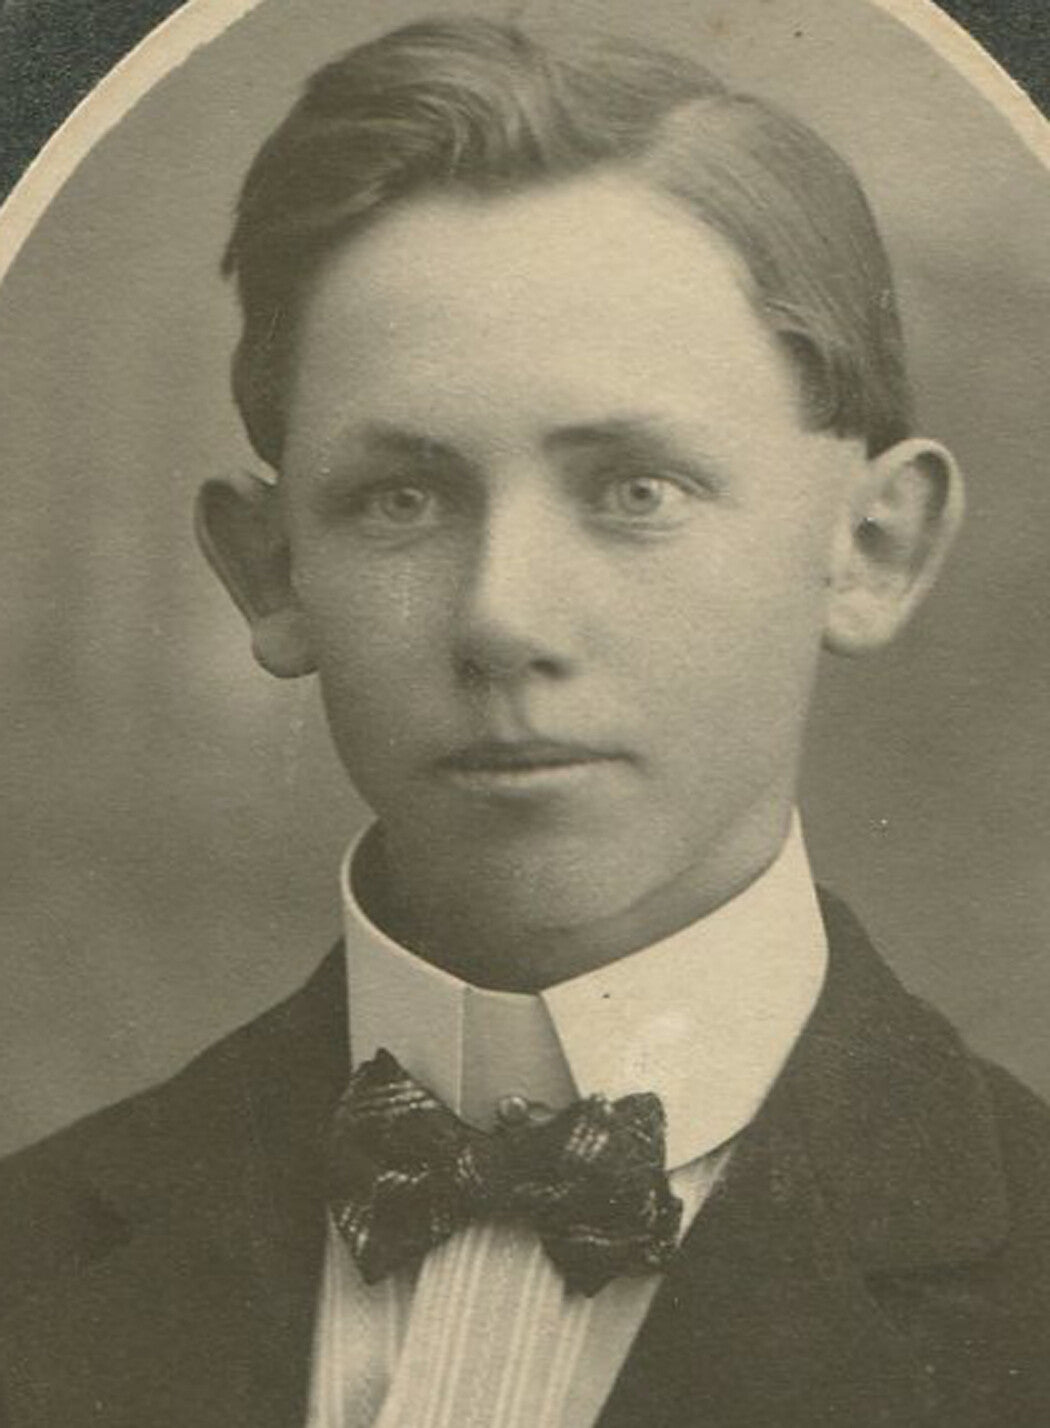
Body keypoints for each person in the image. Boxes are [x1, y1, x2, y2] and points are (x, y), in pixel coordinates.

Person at [2, 15, 1049, 1427]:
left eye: (635, 490)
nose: (502, 618)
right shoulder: (38, 1255)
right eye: (401, 498)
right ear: (269, 571)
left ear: (869, 546)